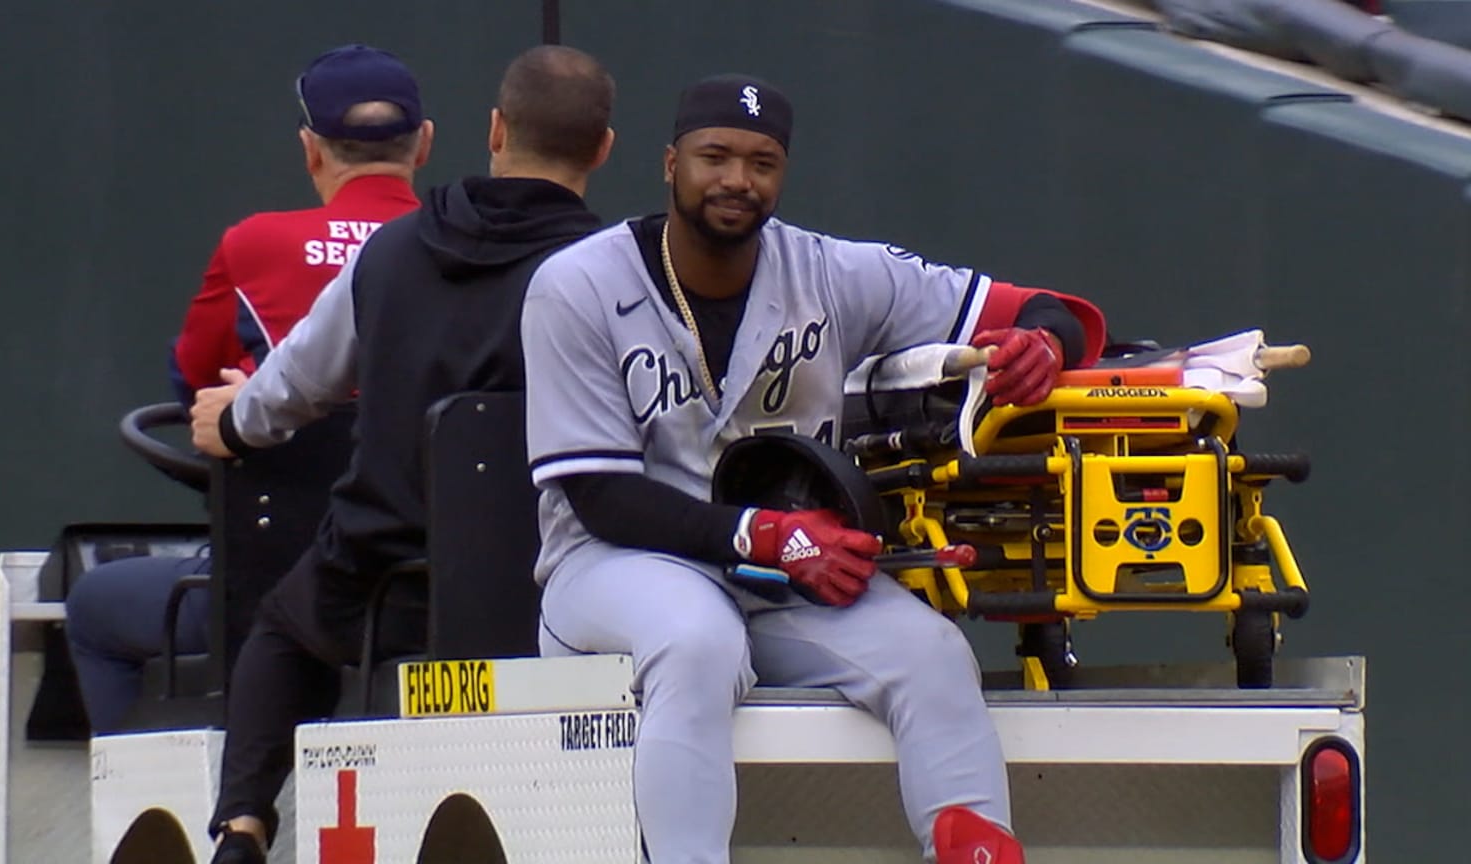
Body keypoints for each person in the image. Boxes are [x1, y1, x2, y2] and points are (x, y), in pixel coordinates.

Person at [520, 74, 1106, 864]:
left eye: (761, 162)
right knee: (697, 644)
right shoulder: (578, 283)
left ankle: (972, 844)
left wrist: (1046, 346)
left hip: (786, 570)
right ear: (670, 164)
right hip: (616, 566)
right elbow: (600, 496)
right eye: (715, 156)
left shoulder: (828, 270)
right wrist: (764, 537)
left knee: (931, 655)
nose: (737, 180)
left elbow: (1043, 308)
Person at [187, 45, 616, 864]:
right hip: (546, 589)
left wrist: (233, 425)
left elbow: (289, 389)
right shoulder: (614, 273)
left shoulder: (386, 256)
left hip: (378, 583)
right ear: (603, 148)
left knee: (280, 628)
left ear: (493, 130)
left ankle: (242, 824)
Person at [64, 43, 431, 735]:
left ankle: (144, 816)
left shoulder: (253, 245)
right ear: (426, 144)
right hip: (432, 596)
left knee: (90, 607)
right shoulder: (458, 248)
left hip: (275, 591)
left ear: (310, 149)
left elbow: (200, 394)